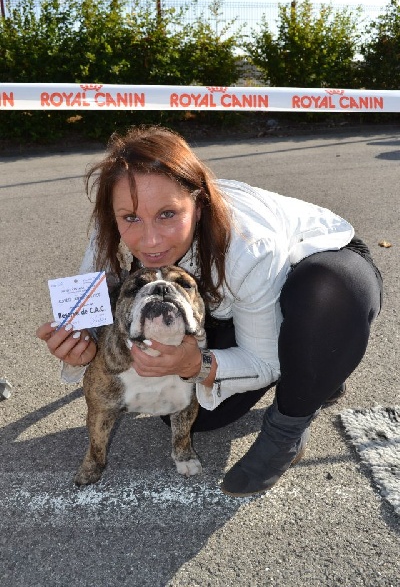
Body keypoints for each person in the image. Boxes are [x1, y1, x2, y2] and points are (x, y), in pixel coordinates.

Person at [36, 125, 383, 497]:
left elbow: (263, 362)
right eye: (131, 218)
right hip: (231, 304)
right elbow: (87, 322)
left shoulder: (250, 246)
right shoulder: (109, 232)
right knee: (202, 417)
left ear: (199, 205)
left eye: (168, 214)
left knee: (327, 289)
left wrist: (195, 364)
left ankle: (293, 418)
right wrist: (79, 348)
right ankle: (314, 368)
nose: (149, 240)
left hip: (322, 275)